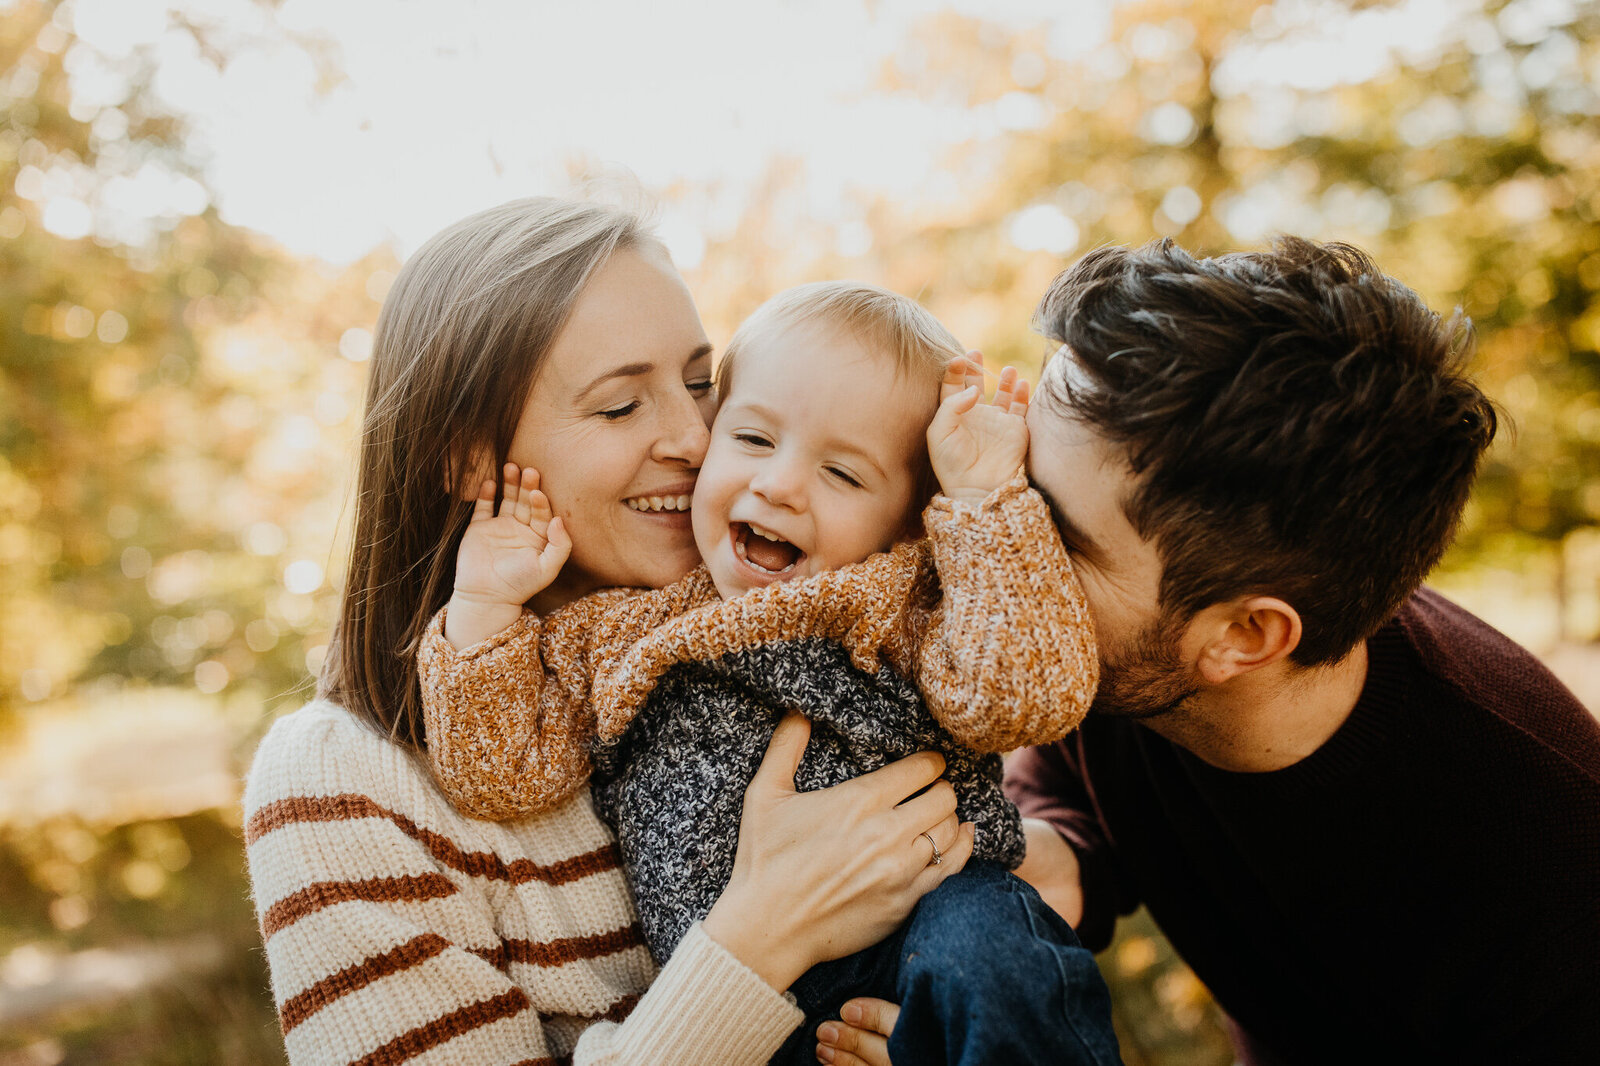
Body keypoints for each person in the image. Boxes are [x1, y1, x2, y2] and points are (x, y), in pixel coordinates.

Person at [241, 198, 983, 1066]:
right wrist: (763, 936)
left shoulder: (796, 630)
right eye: (622, 407)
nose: (697, 438)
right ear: (469, 457)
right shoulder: (346, 780)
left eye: (702, 384)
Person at [419, 281, 1124, 1066]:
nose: (780, 484)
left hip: (940, 911)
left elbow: (1026, 701)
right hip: (746, 1002)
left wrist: (986, 503)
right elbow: (501, 774)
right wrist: (483, 605)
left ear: (907, 517)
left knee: (1002, 968)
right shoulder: (623, 628)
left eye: (844, 475)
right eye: (753, 440)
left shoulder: (903, 598)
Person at [996, 236, 1600, 1065]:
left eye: (1055, 532)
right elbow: (1067, 782)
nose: (993, 540)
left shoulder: (1548, 874)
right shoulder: (1110, 656)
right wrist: (1064, 859)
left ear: (1245, 636)